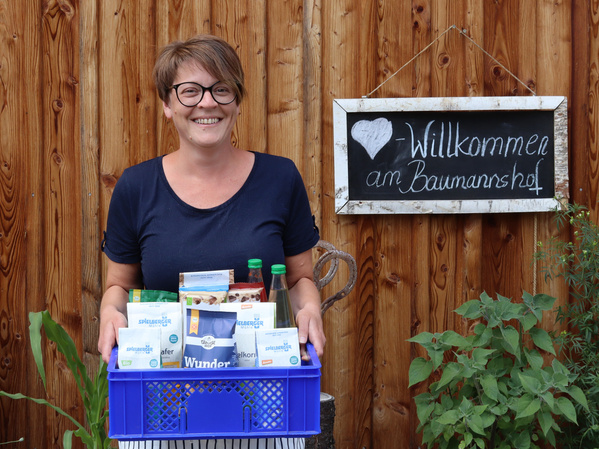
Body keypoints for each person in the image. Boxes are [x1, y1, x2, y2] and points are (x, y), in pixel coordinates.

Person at [98, 34, 325, 449]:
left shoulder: (280, 179)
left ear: (237, 101)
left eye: (221, 89)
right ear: (167, 104)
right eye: (190, 91)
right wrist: (110, 315)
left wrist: (309, 310)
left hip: (264, 407)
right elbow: (119, 286)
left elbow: (298, 278)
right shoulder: (136, 188)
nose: (207, 103)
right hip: (161, 411)